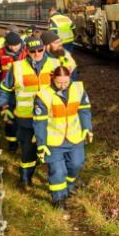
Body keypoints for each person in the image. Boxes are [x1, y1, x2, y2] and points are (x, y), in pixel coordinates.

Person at [0, 37, 61, 190]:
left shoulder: (55, 64)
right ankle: (25, 179)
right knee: (28, 152)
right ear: (27, 51)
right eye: (33, 51)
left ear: (44, 48)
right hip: (26, 119)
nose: (37, 54)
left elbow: (66, 86)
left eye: (40, 50)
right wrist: (4, 106)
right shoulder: (17, 67)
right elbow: (5, 89)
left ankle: (57, 185)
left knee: (54, 152)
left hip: (50, 118)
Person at [32, 65, 92, 210]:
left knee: (76, 164)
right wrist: (41, 143)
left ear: (70, 77)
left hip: (74, 137)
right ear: (53, 78)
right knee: (57, 171)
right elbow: (40, 122)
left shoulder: (78, 89)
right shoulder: (43, 95)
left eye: (66, 82)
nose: (63, 85)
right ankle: (59, 198)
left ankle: (70, 185)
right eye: (59, 82)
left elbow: (84, 110)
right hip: (54, 142)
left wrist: (86, 128)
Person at [0, 32, 26, 151]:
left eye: (17, 45)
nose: (15, 48)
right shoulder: (0, 53)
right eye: (12, 46)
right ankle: (12, 143)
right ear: (7, 45)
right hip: (7, 90)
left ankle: (25, 141)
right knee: (9, 119)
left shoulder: (27, 51)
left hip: (24, 90)